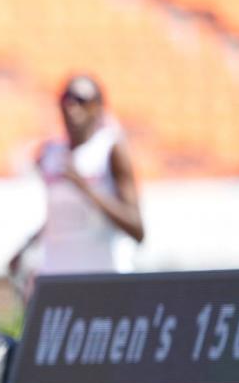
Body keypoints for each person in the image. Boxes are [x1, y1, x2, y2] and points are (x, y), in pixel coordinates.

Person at [10, 74, 143, 290]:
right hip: (59, 279)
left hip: (104, 278)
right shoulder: (50, 154)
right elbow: (60, 217)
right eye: (66, 100)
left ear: (98, 107)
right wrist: (26, 248)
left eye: (81, 100)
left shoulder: (110, 149)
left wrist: (84, 187)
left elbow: (136, 228)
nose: (72, 107)